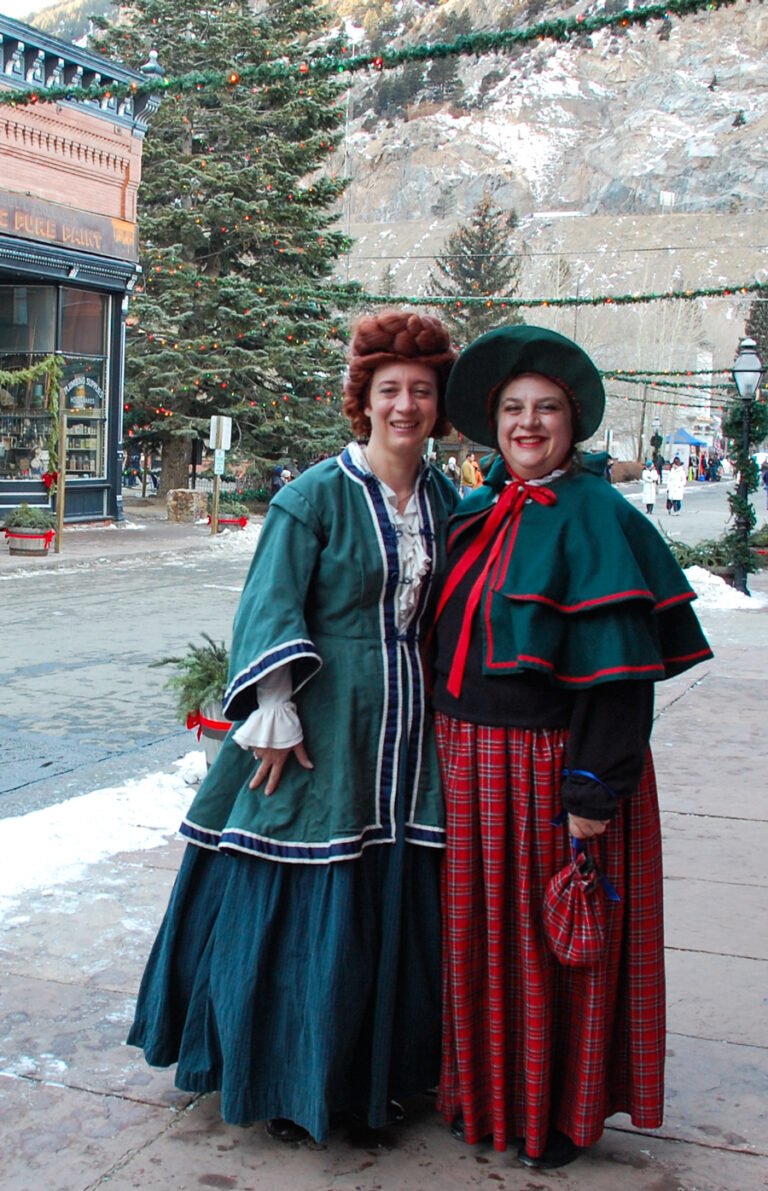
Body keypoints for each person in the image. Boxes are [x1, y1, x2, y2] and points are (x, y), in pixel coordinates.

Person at [127, 310, 459, 1142]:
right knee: (306, 884)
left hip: (412, 731)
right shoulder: (314, 496)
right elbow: (270, 603)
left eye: (421, 390)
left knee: (395, 888)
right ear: (365, 400)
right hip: (320, 723)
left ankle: (378, 1073)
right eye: (391, 390)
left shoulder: (449, 499)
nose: (406, 405)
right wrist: (273, 705)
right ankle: (284, 1074)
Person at [429, 325, 712, 1170]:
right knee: (480, 942)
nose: (527, 423)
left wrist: (595, 788)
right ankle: (481, 1092)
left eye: (545, 408)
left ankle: (553, 1112)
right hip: (470, 768)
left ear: (572, 423)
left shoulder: (599, 518)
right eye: (513, 408)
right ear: (492, 421)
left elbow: (624, 676)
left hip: (553, 771)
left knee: (548, 954)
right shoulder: (477, 510)